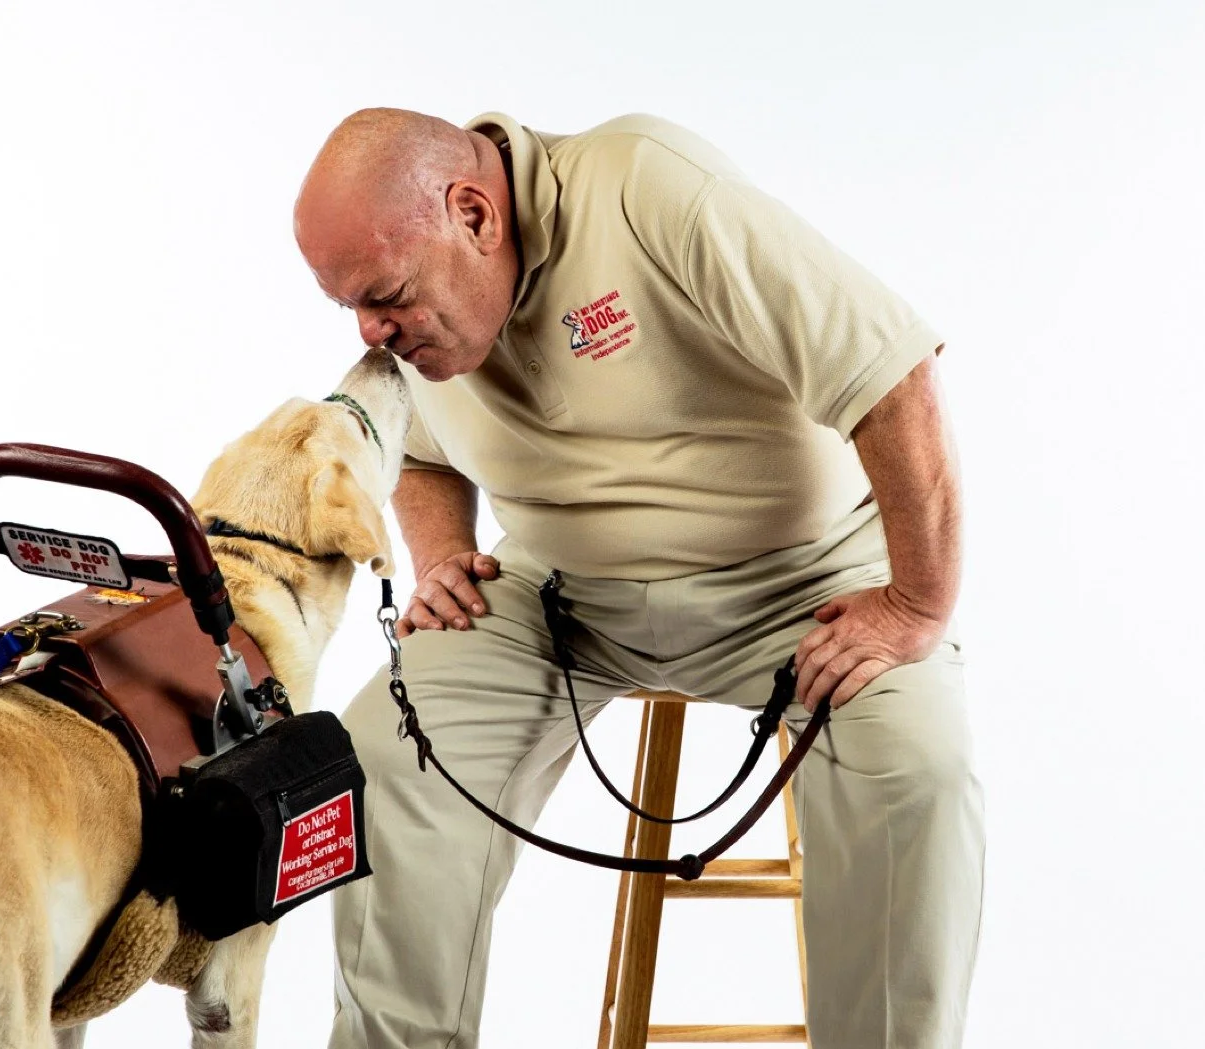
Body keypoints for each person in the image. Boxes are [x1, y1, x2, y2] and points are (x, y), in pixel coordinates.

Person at [293, 107, 984, 1049]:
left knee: (919, 769)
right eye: (352, 310)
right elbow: (416, 449)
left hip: (800, 580)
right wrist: (446, 556)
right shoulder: (420, 315)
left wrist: (916, 602)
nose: (375, 333)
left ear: (476, 215)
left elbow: (892, 371)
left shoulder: (648, 188)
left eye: (388, 297)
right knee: (382, 745)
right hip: (560, 593)